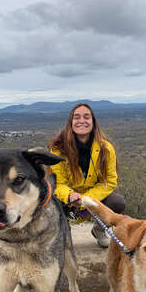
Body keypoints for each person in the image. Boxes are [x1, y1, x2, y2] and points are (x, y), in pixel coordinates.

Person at [48, 103, 126, 248]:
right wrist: (71, 195)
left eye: (86, 117)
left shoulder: (106, 148)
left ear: (93, 122)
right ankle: (64, 232)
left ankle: (99, 230)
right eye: (76, 117)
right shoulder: (58, 149)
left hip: (91, 198)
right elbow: (58, 183)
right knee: (51, 202)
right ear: (71, 123)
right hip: (69, 200)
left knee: (117, 202)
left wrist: (86, 199)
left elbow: (110, 181)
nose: (81, 121)